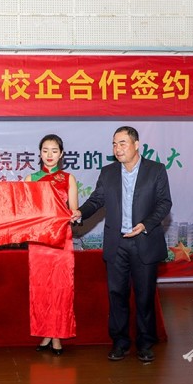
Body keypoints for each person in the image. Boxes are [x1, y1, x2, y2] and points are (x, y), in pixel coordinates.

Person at [71, 126, 171, 363]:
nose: (117, 149)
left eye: (123, 143)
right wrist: (80, 212)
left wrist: (145, 224)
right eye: (114, 144)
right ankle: (120, 342)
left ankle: (145, 343)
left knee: (145, 296)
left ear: (137, 145)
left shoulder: (155, 170)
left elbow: (164, 203)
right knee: (117, 294)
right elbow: (96, 200)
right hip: (117, 244)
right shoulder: (108, 172)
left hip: (143, 240)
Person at [25, 134, 77, 355]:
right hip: (38, 241)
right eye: (45, 150)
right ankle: (46, 333)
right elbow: (25, 210)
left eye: (54, 151)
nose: (49, 155)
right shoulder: (30, 178)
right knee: (41, 288)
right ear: (39, 153)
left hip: (61, 240)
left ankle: (57, 336)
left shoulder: (68, 178)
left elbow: (73, 209)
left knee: (61, 288)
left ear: (61, 154)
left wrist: (75, 214)